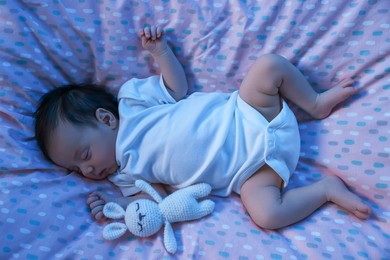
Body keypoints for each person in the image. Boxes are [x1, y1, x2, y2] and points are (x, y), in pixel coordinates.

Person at [34, 26, 371, 230]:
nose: (88, 169)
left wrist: (160, 52)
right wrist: (117, 210)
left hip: (248, 113)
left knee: (269, 66)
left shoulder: (132, 104)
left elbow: (175, 88)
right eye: (76, 168)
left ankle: (313, 102)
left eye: (84, 154)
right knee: (267, 215)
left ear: (105, 120)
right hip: (250, 172)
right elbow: (155, 204)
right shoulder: (125, 176)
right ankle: (325, 190)